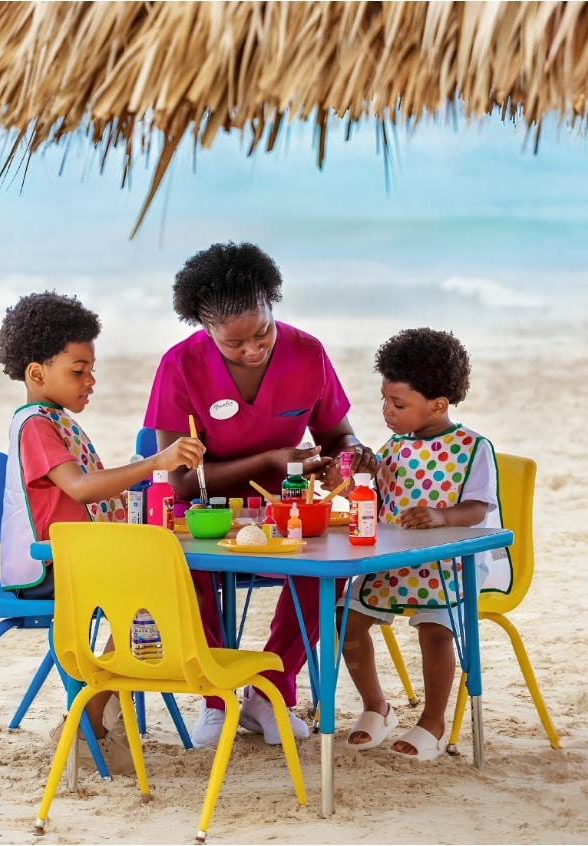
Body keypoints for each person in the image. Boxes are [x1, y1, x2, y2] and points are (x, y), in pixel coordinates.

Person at [143, 241, 377, 747]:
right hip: (201, 511)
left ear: (273, 303)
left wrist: (350, 453)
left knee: (327, 572)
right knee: (186, 571)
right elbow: (181, 480)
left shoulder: (307, 352)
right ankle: (214, 697)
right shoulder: (179, 366)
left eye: (263, 332)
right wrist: (272, 460)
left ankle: (270, 691)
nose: (253, 349)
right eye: (235, 344)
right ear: (204, 331)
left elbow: (339, 435)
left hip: (286, 510)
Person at [0, 291, 205, 774]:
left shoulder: (56, 421)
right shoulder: (35, 426)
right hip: (47, 565)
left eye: (92, 369)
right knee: (152, 597)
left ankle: (103, 707)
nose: (91, 380)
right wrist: (153, 463)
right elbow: (81, 488)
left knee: (158, 594)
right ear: (36, 373)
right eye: (78, 369)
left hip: (77, 559)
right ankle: (95, 716)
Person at [335, 327, 512, 761]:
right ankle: (376, 706)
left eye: (397, 404)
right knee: (347, 619)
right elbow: (375, 499)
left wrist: (440, 516)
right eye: (384, 401)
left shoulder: (473, 448)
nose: (386, 412)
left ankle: (432, 721)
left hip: (447, 563)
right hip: (393, 560)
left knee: (435, 630)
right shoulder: (393, 447)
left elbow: (477, 508)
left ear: (437, 405)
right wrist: (361, 472)